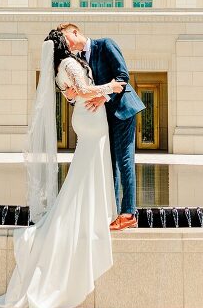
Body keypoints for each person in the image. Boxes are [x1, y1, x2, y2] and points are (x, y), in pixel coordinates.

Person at [0, 28, 126, 308]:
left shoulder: (60, 68)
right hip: (91, 119)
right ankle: (93, 215)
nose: (70, 39)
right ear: (61, 44)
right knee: (87, 169)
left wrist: (91, 94)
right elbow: (80, 91)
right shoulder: (68, 64)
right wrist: (110, 88)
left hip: (87, 116)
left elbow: (70, 94)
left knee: (87, 169)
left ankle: (97, 212)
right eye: (65, 38)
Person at [58, 22, 144, 230]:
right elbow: (83, 89)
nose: (65, 44)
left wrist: (103, 97)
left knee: (124, 160)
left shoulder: (105, 45)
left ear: (75, 32)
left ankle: (128, 213)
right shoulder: (75, 61)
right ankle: (111, 211)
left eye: (65, 38)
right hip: (102, 118)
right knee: (110, 162)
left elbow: (123, 77)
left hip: (122, 111)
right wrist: (71, 96)